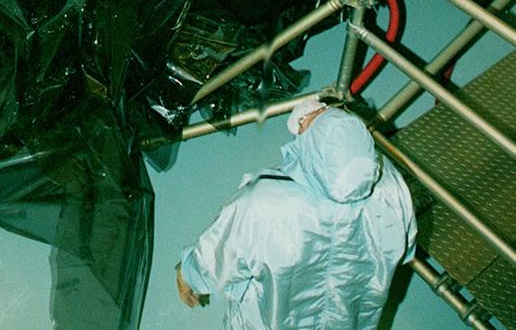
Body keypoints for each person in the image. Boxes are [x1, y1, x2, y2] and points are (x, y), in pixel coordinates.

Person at [176, 98, 416, 329]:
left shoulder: (265, 203)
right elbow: (405, 252)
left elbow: (216, 258)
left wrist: (187, 274)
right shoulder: (392, 189)